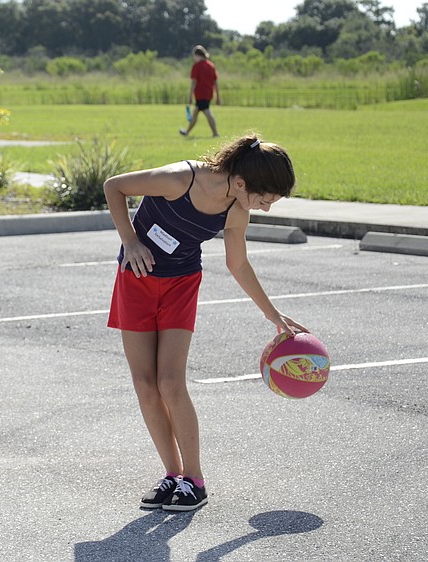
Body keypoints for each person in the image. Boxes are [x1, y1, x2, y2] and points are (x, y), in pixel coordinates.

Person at [103, 134, 308, 511]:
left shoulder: (236, 209)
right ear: (241, 182)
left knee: (170, 381)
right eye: (264, 200)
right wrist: (130, 242)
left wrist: (271, 313)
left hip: (181, 285)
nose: (263, 209)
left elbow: (238, 263)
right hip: (136, 280)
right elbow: (114, 187)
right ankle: (171, 475)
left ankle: (194, 481)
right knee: (145, 384)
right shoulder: (178, 179)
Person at [180, 45, 221, 138]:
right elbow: (216, 82)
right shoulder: (211, 65)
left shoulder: (197, 66)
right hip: (209, 93)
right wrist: (218, 96)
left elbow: (194, 82)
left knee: (207, 112)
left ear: (197, 55)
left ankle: (215, 133)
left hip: (200, 94)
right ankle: (187, 131)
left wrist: (190, 96)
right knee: (195, 113)